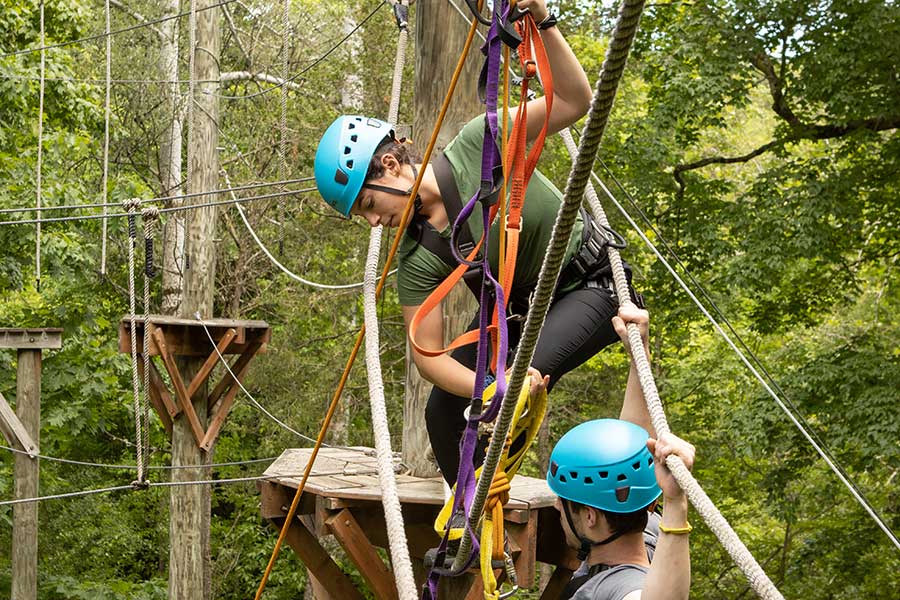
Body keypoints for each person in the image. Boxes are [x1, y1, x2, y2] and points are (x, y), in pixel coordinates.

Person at [314, 0, 641, 486]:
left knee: (522, 383)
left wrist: (542, 19)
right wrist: (486, 387)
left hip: (590, 286)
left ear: (387, 167)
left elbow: (574, 101)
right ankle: (475, 520)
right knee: (443, 410)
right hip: (519, 315)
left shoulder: (478, 143)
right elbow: (429, 358)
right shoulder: (417, 253)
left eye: (365, 205)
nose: (373, 224)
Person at [546, 305, 693, 600]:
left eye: (563, 503)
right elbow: (629, 446)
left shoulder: (620, 586)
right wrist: (639, 355)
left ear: (590, 517)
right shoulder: (645, 529)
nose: (556, 508)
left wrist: (676, 502)